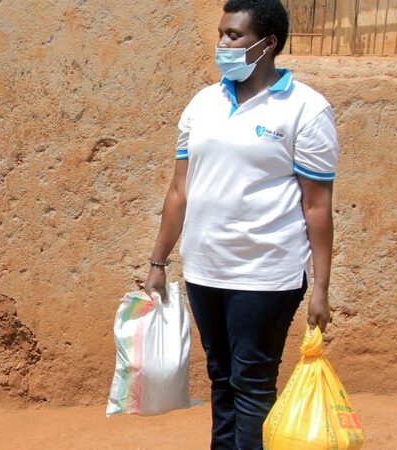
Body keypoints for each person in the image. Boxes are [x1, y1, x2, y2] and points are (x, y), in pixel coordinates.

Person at [141, 1, 338, 449]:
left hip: (267, 275)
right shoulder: (203, 103)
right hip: (205, 271)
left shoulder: (306, 109)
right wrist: (158, 261)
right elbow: (178, 191)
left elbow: (317, 205)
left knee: (251, 385)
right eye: (221, 34)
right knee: (221, 378)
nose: (222, 45)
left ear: (267, 44)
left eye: (234, 36)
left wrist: (322, 287)